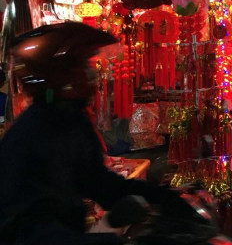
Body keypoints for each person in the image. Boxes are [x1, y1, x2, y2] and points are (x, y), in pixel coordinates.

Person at [0, 22, 203, 245]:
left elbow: (100, 183)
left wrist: (162, 197)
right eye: (80, 65)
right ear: (59, 75)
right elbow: (28, 227)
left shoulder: (71, 122)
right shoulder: (31, 135)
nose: (89, 72)